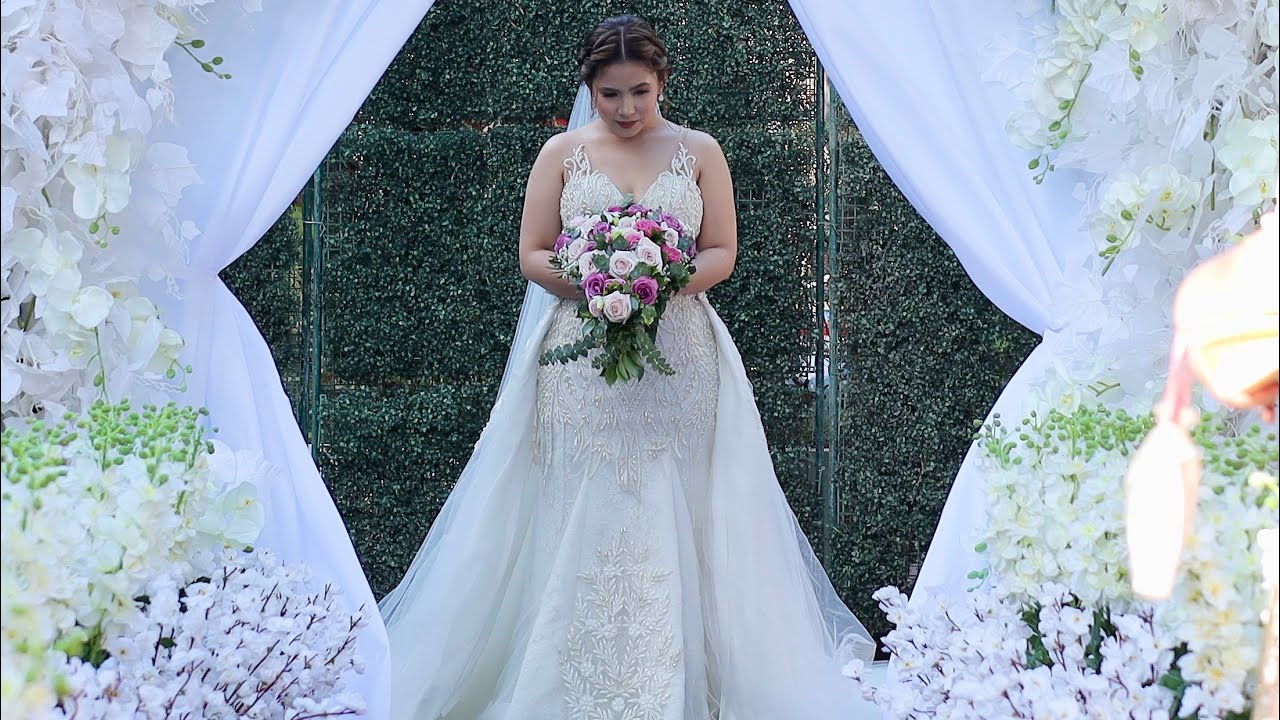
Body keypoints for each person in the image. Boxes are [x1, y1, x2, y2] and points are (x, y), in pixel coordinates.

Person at [378, 14, 876, 720]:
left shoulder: (700, 151)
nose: (626, 109)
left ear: (662, 81)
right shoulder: (562, 152)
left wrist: (661, 275)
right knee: (583, 491)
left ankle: (679, 677)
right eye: (610, 94)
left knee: (677, 492)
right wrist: (594, 279)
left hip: (680, 358)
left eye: (639, 91)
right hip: (578, 364)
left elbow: (722, 250)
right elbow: (531, 253)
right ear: (590, 89)